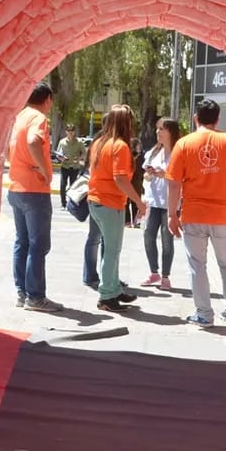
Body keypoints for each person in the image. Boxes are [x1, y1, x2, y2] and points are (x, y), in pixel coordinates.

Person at [165, 99, 226, 327]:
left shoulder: (184, 144)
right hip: (222, 215)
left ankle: (204, 314)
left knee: (197, 265)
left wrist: (172, 214)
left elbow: (174, 184)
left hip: (194, 215)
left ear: (195, 118)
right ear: (217, 119)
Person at [7, 82, 62, 312]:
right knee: (38, 245)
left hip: (15, 186)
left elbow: (6, 146)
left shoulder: (18, 117)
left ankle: (22, 292)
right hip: (34, 190)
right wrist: (44, 169)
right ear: (47, 100)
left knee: (22, 242)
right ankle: (36, 297)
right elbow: (33, 141)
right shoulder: (38, 118)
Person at [87, 104, 145, 312]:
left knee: (112, 249)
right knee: (112, 250)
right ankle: (107, 295)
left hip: (96, 201)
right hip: (110, 203)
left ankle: (114, 289)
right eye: (131, 120)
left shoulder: (99, 143)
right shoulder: (120, 146)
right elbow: (120, 178)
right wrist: (138, 201)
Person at [139, 118, 180, 290]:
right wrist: (149, 174)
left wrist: (165, 175)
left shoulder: (178, 153)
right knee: (148, 235)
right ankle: (153, 272)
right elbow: (145, 174)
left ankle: (165, 276)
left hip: (170, 203)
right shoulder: (153, 152)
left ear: (171, 132)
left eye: (162, 129)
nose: (158, 132)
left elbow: (182, 177)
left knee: (167, 240)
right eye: (157, 129)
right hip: (153, 201)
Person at [55, 124, 86, 209]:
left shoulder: (79, 142)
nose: (70, 132)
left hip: (74, 167)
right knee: (63, 185)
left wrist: (79, 158)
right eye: (69, 131)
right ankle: (63, 203)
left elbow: (84, 153)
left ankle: (71, 204)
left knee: (73, 186)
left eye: (72, 130)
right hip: (65, 166)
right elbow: (58, 154)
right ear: (66, 132)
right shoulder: (62, 142)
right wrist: (61, 158)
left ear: (74, 132)